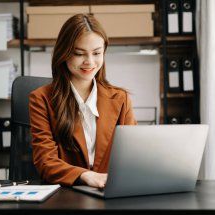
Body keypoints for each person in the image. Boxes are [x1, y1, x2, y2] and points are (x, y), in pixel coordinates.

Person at [29, 14, 137, 189]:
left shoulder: (120, 99)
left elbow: (134, 155)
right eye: (79, 53)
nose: (89, 62)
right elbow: (45, 161)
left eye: (97, 53)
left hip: (111, 194)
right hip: (65, 195)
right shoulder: (41, 99)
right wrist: (86, 176)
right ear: (64, 53)